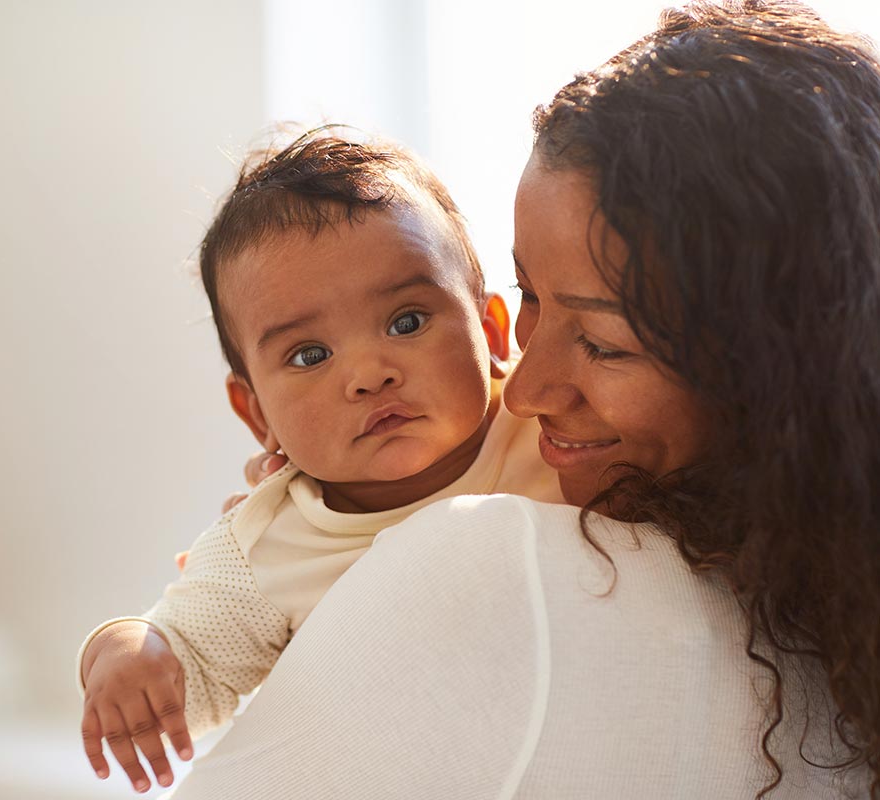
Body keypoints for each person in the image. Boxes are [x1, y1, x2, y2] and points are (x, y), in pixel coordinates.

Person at [161, 2, 880, 797]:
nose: (525, 391)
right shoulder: (832, 619)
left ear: (780, 374)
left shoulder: (485, 561)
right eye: (530, 295)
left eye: (604, 343)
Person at [76, 128, 561, 793]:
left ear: (492, 332)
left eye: (407, 321)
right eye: (308, 355)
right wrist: (124, 651)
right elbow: (191, 664)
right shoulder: (268, 539)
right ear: (256, 415)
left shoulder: (551, 426)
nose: (367, 374)